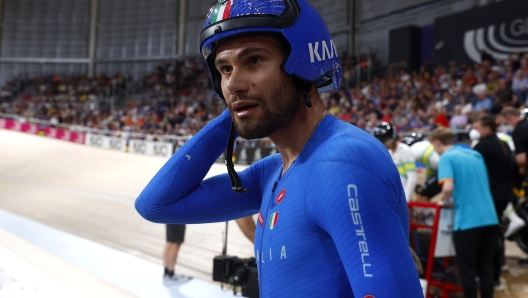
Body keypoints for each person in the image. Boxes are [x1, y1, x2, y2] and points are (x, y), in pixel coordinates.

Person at [135, 0, 423, 296]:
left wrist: (242, 106)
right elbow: (155, 205)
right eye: (224, 69)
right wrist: (234, 114)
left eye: (254, 60)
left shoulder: (344, 163)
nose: (233, 84)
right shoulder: (273, 171)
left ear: (304, 65)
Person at [429, 127, 499, 298]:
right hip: (490, 217)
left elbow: (448, 187)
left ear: (437, 143)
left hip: (468, 221)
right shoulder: (475, 155)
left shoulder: (447, 157)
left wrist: (446, 200)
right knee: (486, 267)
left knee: (467, 269)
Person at [472, 115, 514, 291]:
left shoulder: (483, 146)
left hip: (491, 197)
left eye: (478, 127)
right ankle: (499, 267)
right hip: (505, 194)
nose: (475, 131)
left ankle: (492, 275)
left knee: (489, 238)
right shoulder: (503, 144)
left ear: (487, 129)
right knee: (496, 233)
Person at [373, 122, 417, 202]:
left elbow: (412, 177)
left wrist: (406, 200)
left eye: (385, 140)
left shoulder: (404, 150)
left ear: (392, 137)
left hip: (402, 197)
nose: (384, 143)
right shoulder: (388, 153)